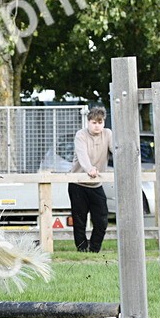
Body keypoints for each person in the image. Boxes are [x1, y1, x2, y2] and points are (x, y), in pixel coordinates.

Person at [68, 106, 113, 252]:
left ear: (104, 123)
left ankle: (94, 249)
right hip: (78, 184)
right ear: (88, 122)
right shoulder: (80, 135)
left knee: (101, 220)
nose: (97, 126)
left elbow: (116, 150)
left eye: (100, 122)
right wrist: (89, 169)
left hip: (96, 184)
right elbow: (82, 156)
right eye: (94, 122)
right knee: (79, 220)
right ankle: (81, 250)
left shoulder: (108, 134)